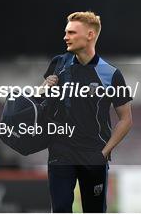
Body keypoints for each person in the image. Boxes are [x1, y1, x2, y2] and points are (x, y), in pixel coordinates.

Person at [41, 11, 133, 212]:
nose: (66, 37)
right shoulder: (58, 63)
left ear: (90, 35)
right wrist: (43, 89)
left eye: (72, 33)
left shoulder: (111, 74)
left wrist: (104, 152)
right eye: (66, 32)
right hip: (60, 152)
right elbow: (40, 101)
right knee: (61, 209)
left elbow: (126, 119)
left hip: (93, 155)